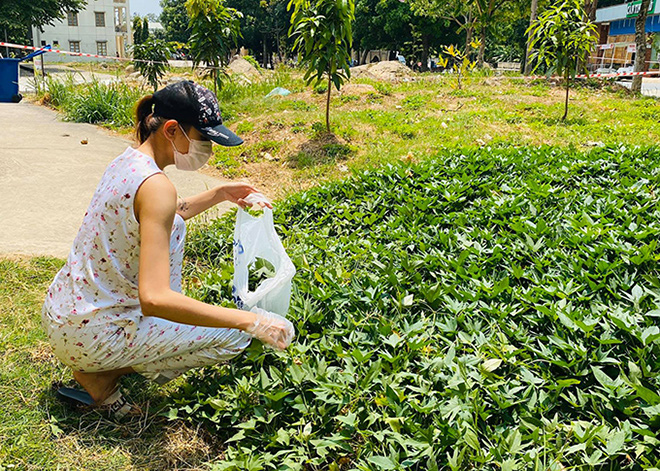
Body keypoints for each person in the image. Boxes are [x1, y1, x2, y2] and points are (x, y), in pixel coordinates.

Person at [42, 80, 294, 417]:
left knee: (223, 319)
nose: (208, 150)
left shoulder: (130, 162)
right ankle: (99, 374)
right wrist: (250, 320)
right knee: (235, 337)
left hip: (68, 312)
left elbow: (163, 217)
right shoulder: (157, 187)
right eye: (204, 139)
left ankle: (99, 363)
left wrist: (220, 194)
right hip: (93, 331)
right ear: (173, 130)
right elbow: (156, 299)